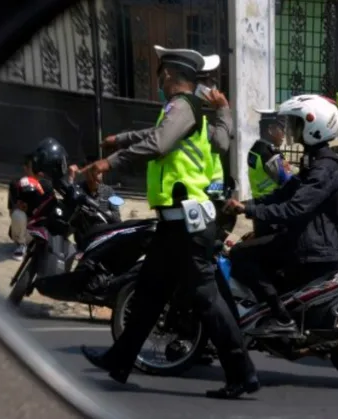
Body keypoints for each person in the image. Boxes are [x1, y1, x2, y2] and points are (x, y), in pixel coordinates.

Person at [79, 45, 258, 399]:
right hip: (176, 223)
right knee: (149, 292)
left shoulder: (183, 108)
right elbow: (166, 137)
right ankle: (120, 360)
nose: (159, 79)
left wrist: (108, 163)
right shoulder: (187, 112)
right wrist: (122, 140)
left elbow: (159, 143)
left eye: (161, 73)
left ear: (169, 74)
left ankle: (242, 372)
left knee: (206, 299)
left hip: (188, 225)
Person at [224, 94, 338, 336]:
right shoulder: (313, 161)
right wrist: (247, 205)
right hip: (303, 233)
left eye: (296, 124)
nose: (290, 130)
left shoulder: (324, 167)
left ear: (314, 126)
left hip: (313, 243)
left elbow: (294, 208)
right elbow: (285, 192)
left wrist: (251, 209)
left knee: (240, 255)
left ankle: (281, 317)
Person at [198, 53, 237, 240]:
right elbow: (222, 142)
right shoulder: (192, 119)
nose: (214, 87)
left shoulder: (200, 117)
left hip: (210, 191)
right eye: (209, 81)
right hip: (199, 197)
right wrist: (223, 108)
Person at [246, 109, 293, 237]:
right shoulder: (270, 154)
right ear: (271, 129)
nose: (283, 134)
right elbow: (289, 182)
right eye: (281, 128)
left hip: (260, 207)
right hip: (273, 211)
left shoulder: (255, 149)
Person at [7, 153, 37, 260]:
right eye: (34, 167)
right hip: (26, 229)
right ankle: (21, 244)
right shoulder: (16, 185)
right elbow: (12, 213)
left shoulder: (45, 185)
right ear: (26, 168)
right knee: (17, 214)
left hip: (40, 230)